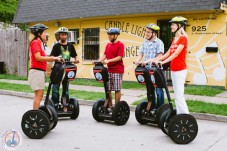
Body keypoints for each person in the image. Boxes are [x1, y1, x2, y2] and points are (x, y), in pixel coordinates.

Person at [154, 16, 189, 114]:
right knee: (177, 95)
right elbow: (168, 53)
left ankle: (185, 115)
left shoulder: (183, 38)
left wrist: (163, 62)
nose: (171, 27)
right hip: (173, 69)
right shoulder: (175, 39)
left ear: (179, 26)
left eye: (173, 25)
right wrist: (155, 60)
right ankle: (179, 114)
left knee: (179, 95)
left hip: (180, 70)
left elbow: (176, 54)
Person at [28, 24, 62, 110]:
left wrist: (55, 59)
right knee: (38, 96)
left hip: (39, 72)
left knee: (40, 95)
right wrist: (53, 58)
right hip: (36, 72)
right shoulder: (36, 42)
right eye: (45, 32)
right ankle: (35, 117)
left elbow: (43, 57)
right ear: (39, 33)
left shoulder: (39, 43)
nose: (46, 34)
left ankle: (36, 115)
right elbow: (38, 57)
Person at [134, 23, 165, 108]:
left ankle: (161, 109)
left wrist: (147, 61)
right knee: (150, 90)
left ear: (154, 33)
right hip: (147, 70)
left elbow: (160, 56)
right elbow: (140, 54)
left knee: (158, 90)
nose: (146, 33)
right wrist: (137, 61)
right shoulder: (145, 42)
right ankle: (152, 107)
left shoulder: (159, 42)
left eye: (148, 32)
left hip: (156, 70)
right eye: (146, 32)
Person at [50, 27, 79, 111]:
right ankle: (55, 105)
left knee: (65, 88)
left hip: (67, 68)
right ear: (59, 35)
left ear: (67, 35)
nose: (64, 36)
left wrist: (76, 59)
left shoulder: (70, 45)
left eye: (65, 34)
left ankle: (65, 105)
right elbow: (52, 56)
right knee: (55, 88)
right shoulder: (56, 46)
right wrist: (56, 59)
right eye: (62, 34)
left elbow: (75, 55)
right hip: (57, 69)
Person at [98, 28, 124, 110]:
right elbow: (104, 55)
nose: (109, 36)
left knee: (117, 89)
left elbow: (119, 57)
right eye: (108, 34)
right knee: (108, 89)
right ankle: (110, 106)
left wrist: (108, 61)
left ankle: (116, 107)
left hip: (117, 70)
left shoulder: (120, 45)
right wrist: (98, 61)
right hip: (109, 70)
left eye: (111, 35)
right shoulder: (108, 45)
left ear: (116, 35)